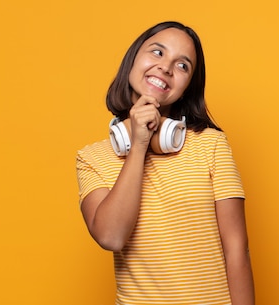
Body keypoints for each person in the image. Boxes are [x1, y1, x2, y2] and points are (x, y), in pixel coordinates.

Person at [76, 21, 254, 305]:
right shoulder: (91, 158)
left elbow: (237, 249)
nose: (166, 68)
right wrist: (139, 145)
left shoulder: (211, 144)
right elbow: (110, 237)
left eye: (182, 65)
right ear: (133, 60)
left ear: (186, 88)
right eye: (157, 52)